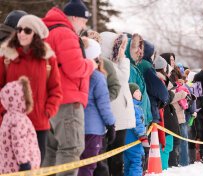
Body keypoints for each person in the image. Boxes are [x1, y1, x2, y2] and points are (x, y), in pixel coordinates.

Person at [42, 0, 96, 175]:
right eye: (83, 20)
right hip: (67, 101)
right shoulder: (65, 33)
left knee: (51, 151)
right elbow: (75, 68)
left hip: (49, 101)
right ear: (74, 17)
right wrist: (90, 65)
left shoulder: (48, 31)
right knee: (71, 149)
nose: (84, 25)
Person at [0, 14, 62, 163]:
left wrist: (48, 111)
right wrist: (2, 114)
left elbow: (56, 90)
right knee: (12, 167)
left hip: (39, 124)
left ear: (36, 34)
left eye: (27, 30)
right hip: (11, 125)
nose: (21, 33)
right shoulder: (7, 57)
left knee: (35, 167)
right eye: (19, 29)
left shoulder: (48, 59)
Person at [78, 39, 116, 176]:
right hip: (93, 130)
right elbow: (104, 105)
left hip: (76, 126)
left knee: (78, 166)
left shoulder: (76, 74)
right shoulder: (97, 77)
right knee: (88, 167)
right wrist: (111, 124)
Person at [100, 32, 135, 176]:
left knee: (117, 157)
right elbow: (123, 78)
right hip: (115, 116)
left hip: (120, 116)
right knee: (114, 158)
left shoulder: (115, 63)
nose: (123, 50)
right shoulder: (107, 63)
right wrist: (124, 59)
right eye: (120, 46)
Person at [0, 76, 40, 173]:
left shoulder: (8, 117)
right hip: (19, 168)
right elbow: (19, 142)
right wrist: (24, 163)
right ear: (22, 98)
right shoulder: (19, 119)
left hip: (8, 167)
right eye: (28, 94)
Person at [124, 83, 149, 176]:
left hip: (125, 141)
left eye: (139, 91)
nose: (140, 93)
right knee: (137, 162)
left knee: (128, 164)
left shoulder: (127, 106)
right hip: (134, 140)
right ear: (130, 94)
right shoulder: (135, 107)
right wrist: (144, 138)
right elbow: (138, 124)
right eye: (136, 91)